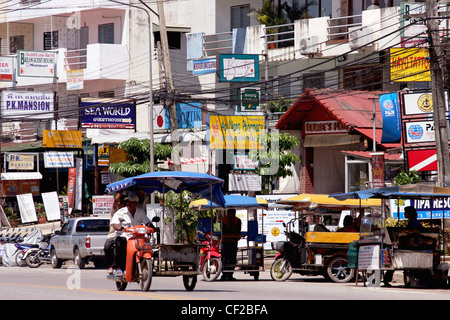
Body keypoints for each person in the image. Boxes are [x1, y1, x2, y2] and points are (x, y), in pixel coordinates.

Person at [110, 192, 153, 278]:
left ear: (136, 203)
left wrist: (153, 228)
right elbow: (114, 224)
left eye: (131, 202)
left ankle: (145, 265)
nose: (129, 204)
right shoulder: (121, 212)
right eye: (128, 202)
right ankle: (120, 269)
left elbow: (147, 222)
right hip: (124, 236)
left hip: (138, 237)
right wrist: (120, 228)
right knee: (120, 243)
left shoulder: (140, 212)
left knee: (147, 245)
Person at [104, 192, 126, 275]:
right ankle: (111, 266)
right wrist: (122, 190)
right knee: (107, 246)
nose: (121, 205)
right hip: (113, 234)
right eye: (120, 203)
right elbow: (116, 201)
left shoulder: (128, 212)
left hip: (127, 235)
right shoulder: (115, 211)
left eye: (123, 203)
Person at [220, 209, 241, 281]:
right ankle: (228, 275)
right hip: (232, 241)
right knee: (231, 259)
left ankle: (225, 275)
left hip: (227, 241)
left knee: (226, 259)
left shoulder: (224, 220)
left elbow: (222, 231)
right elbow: (238, 230)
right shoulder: (237, 220)